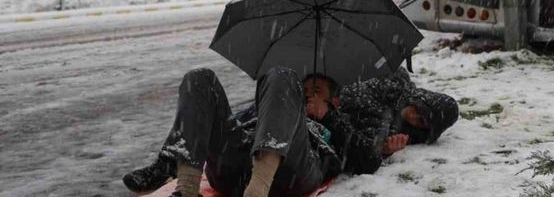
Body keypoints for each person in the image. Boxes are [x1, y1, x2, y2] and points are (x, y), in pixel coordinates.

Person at [123, 67, 370, 197]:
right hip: (240, 164)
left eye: (316, 91)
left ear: (334, 101)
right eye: (303, 91)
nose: (307, 95)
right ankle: (185, 186)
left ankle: (258, 189)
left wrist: (326, 116)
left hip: (293, 171)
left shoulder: (339, 119)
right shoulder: (273, 105)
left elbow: (367, 158)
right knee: (199, 78)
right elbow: (209, 123)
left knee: (283, 74)